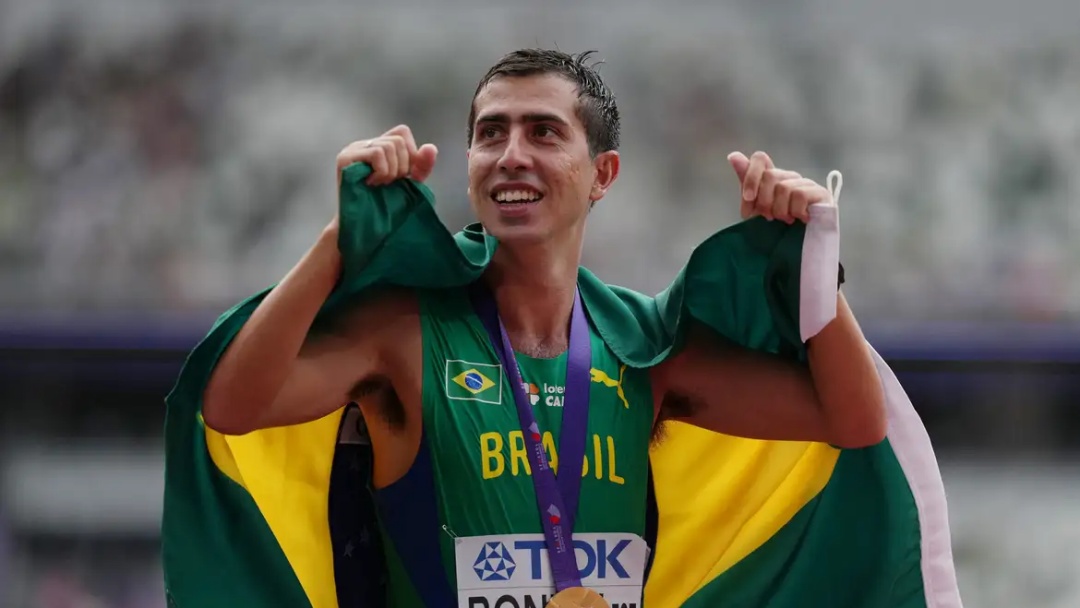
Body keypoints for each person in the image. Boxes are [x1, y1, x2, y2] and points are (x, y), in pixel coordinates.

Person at [201, 48, 886, 606]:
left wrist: (814, 267)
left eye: (544, 132)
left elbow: (853, 420)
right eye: (490, 133)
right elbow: (233, 407)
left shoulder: (643, 347)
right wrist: (336, 244)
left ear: (602, 174)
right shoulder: (403, 334)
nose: (511, 154)